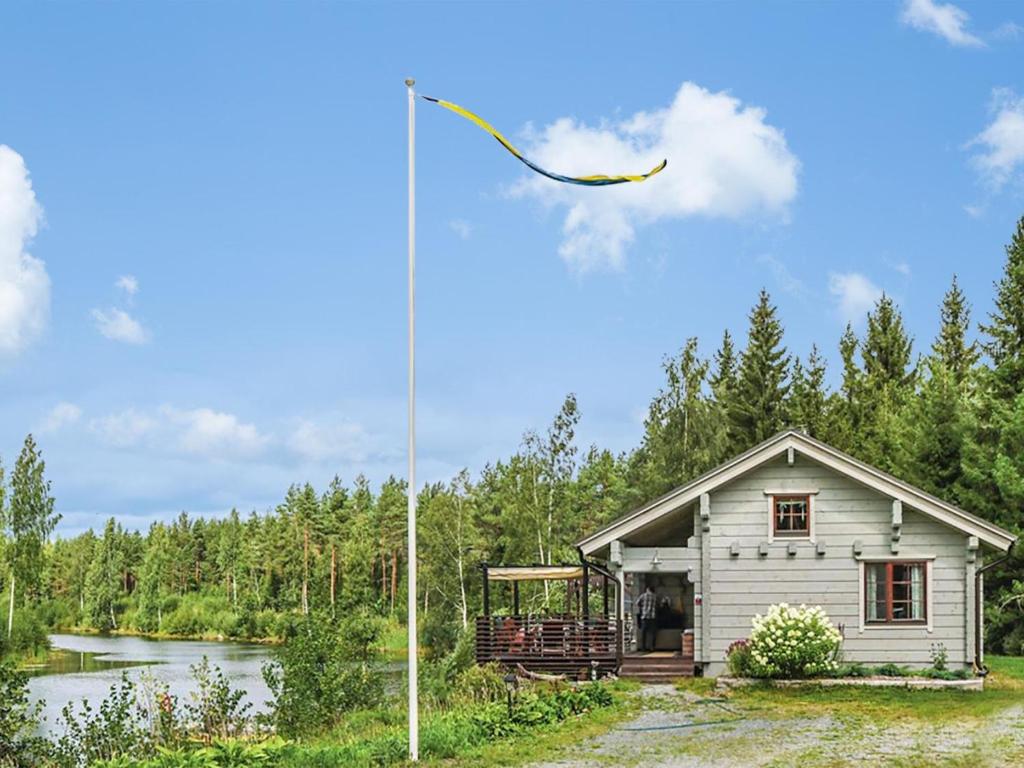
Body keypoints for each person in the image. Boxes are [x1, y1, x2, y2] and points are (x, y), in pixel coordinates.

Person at [636, 585, 658, 652]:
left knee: (644, 633)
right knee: (652, 633)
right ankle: (652, 647)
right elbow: (658, 605)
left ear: (648, 589)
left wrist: (642, 607)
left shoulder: (643, 595)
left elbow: (637, 603)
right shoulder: (655, 597)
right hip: (652, 617)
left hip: (644, 617)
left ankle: (643, 647)